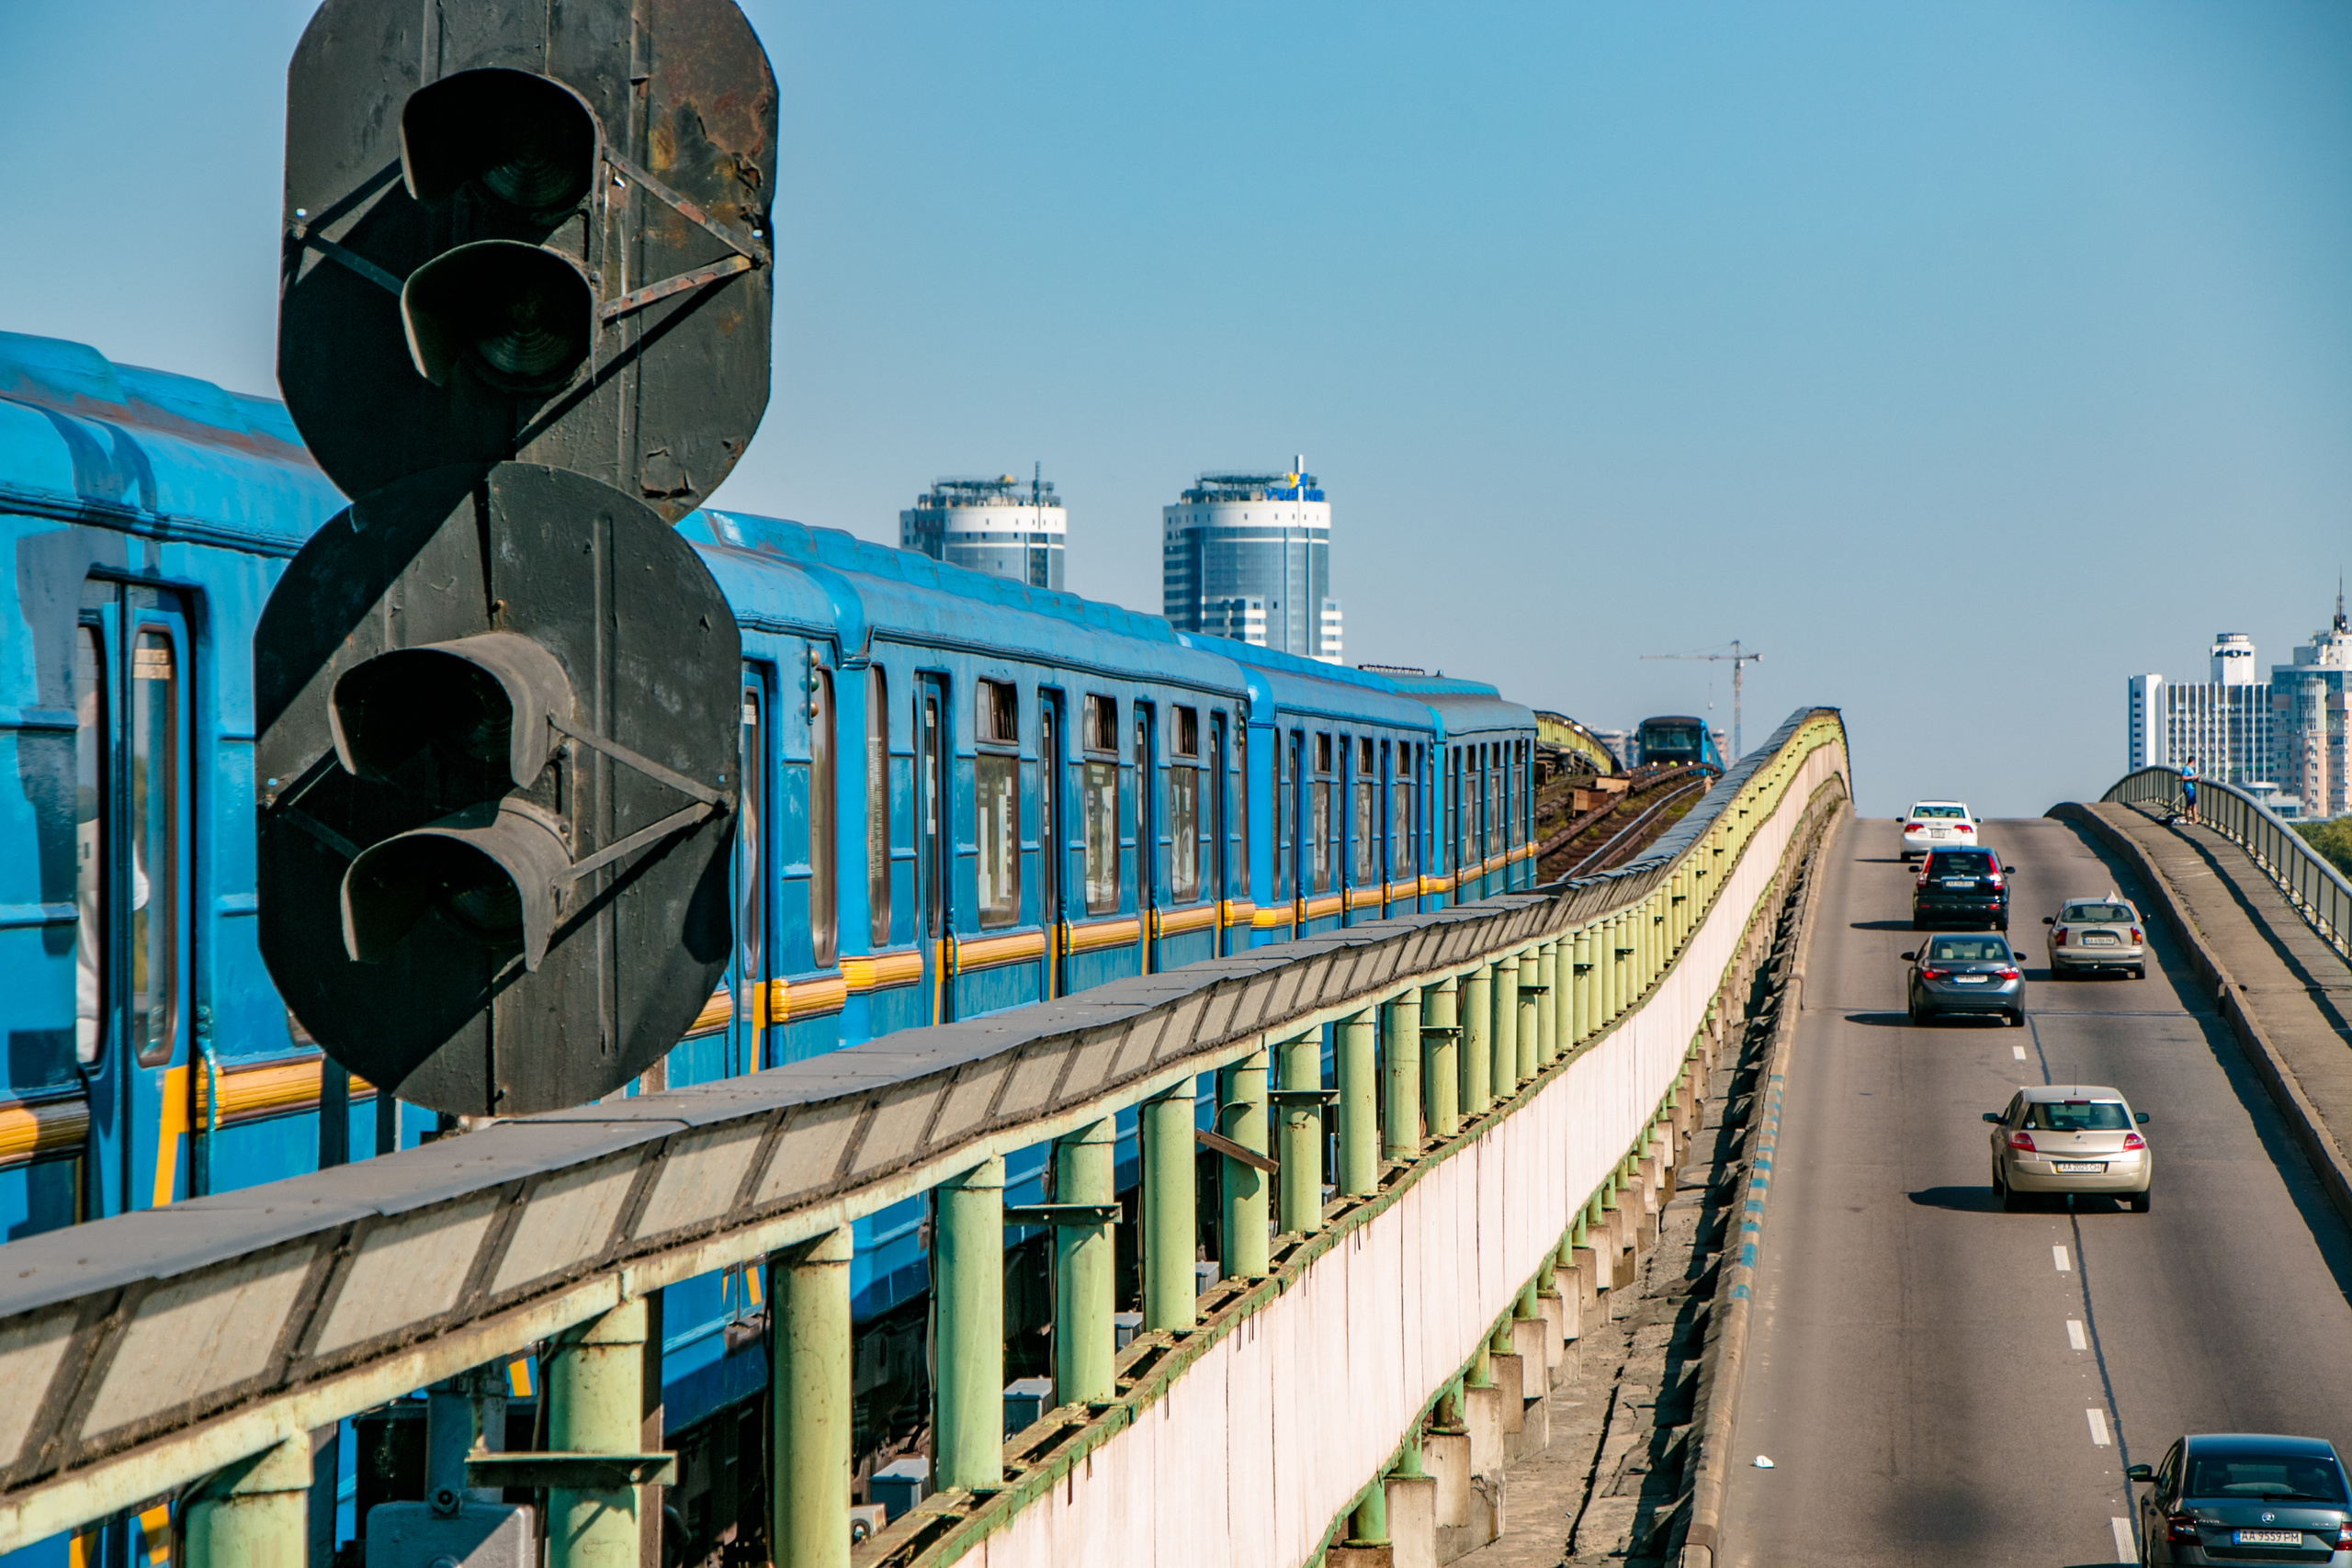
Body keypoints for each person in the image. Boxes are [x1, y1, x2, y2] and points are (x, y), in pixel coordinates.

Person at [2181, 755, 2199, 825]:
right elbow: (2183, 778)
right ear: (2192, 761)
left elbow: (2190, 778)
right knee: (2188, 805)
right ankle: (2187, 819)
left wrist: (2196, 779)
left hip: (2192, 788)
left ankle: (2195, 819)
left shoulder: (2190, 769)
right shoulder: (2186, 768)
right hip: (2188, 788)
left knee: (2194, 804)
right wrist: (2192, 777)